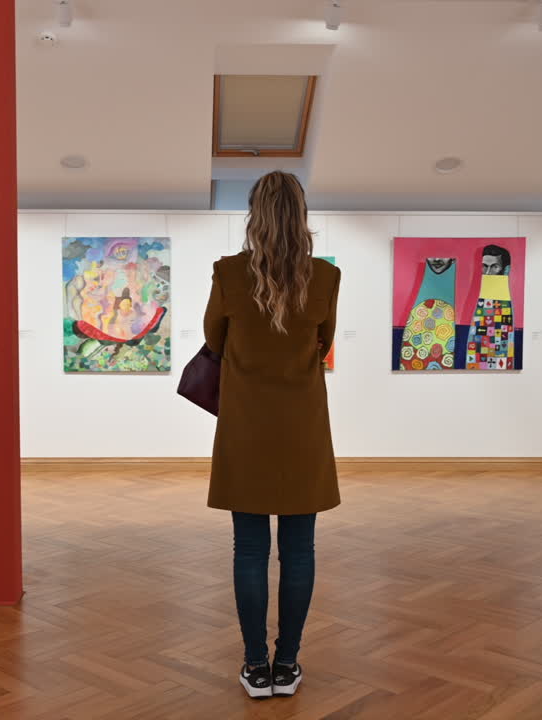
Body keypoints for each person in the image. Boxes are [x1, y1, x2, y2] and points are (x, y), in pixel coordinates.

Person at [202, 170, 341, 699]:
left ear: (254, 215)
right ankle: (287, 664)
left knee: (250, 550)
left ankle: (255, 666)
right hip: (303, 428)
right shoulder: (324, 277)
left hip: (246, 427)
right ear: (301, 215)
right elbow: (325, 340)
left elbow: (215, 338)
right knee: (300, 551)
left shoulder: (228, 273)